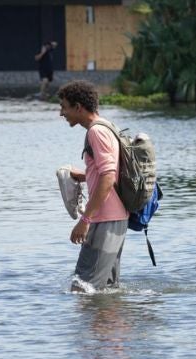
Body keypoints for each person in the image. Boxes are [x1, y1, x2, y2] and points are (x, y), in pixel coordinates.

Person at [57, 80, 129, 292]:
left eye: (64, 107)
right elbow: (104, 172)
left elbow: (108, 176)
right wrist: (80, 175)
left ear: (78, 107)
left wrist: (85, 220)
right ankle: (112, 325)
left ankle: (96, 326)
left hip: (104, 219)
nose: (62, 113)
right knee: (107, 290)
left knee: (82, 289)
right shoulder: (106, 127)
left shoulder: (96, 132)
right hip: (115, 217)